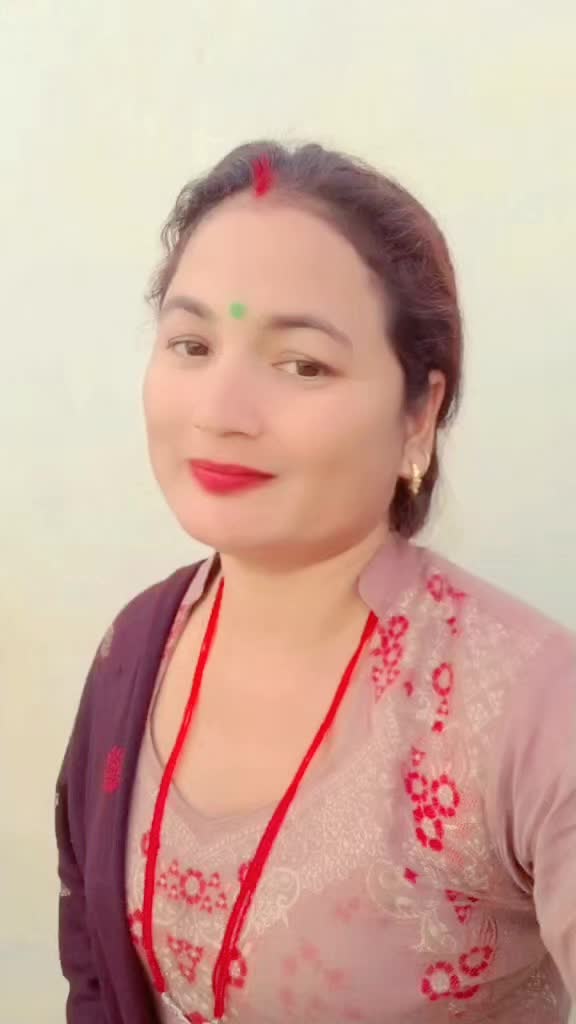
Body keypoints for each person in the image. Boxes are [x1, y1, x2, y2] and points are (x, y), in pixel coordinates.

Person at [55, 140, 576, 1024]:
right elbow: (93, 968)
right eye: (192, 344)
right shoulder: (136, 646)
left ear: (419, 414)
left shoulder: (533, 706)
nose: (220, 412)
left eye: (303, 364)